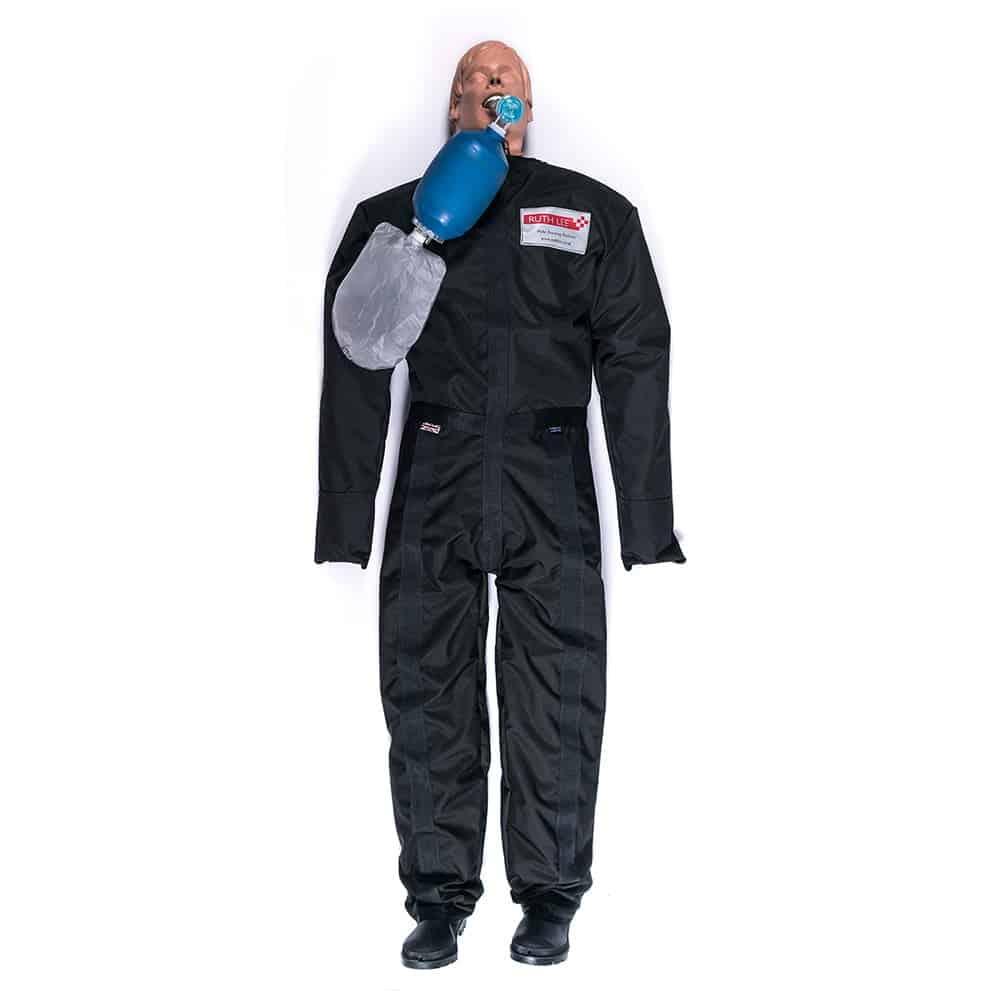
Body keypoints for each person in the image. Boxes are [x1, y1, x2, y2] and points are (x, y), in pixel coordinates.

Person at [315, 39, 685, 968]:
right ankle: (438, 899)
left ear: (526, 104)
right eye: (473, 79)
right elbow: (355, 366)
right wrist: (345, 520)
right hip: (436, 466)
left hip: (548, 472)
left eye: (505, 77)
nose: (490, 85)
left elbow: (637, 356)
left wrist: (646, 518)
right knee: (424, 683)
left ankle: (550, 897)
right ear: (454, 107)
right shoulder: (394, 220)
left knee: (557, 684)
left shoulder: (591, 215)